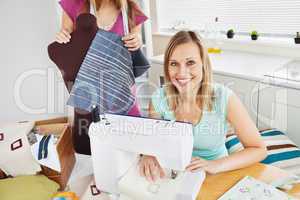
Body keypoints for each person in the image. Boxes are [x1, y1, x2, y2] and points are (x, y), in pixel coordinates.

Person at [139, 30, 267, 182]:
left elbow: (259, 149)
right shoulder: (158, 99)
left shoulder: (224, 98)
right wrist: (148, 153)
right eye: (174, 64)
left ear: (203, 64)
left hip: (216, 175)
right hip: (175, 175)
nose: (181, 72)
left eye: (190, 62)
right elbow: (153, 140)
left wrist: (215, 165)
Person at [55, 0, 148, 154]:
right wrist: (62, 37)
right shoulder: (74, 4)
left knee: (130, 146)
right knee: (92, 148)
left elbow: (136, 37)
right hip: (88, 94)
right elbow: (66, 44)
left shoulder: (130, 9)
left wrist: (137, 39)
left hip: (122, 92)